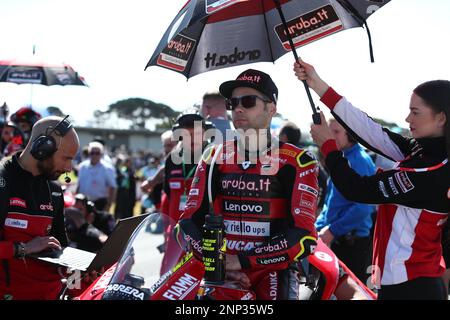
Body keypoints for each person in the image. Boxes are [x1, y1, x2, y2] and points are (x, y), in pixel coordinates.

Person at [294, 59, 449, 300]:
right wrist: (318, 84)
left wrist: (328, 145)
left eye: (415, 112)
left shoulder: (429, 172)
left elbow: (357, 190)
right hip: (407, 282)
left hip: (412, 287)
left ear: (441, 118)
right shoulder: (425, 153)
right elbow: (372, 132)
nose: (407, 119)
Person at [177, 69, 318, 300]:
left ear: (271, 108)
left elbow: (303, 236)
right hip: (220, 272)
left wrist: (243, 261)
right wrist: (219, 262)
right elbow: (188, 223)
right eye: (233, 102)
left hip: (271, 273)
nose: (238, 108)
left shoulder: (297, 161)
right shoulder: (213, 157)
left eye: (249, 101)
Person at [0, 116, 79, 300]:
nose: (69, 168)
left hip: (51, 294)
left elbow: (61, 253)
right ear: (43, 147)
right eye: (66, 158)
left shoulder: (54, 190)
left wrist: (78, 274)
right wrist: (24, 249)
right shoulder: (3, 181)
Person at [315, 118, 376, 282]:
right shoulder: (339, 158)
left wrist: (332, 230)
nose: (332, 137)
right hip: (335, 240)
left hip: (351, 244)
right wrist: (318, 228)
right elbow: (330, 203)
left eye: (337, 132)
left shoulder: (360, 161)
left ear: (351, 135)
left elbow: (363, 208)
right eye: (330, 132)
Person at [159, 109, 212, 274]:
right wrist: (166, 230)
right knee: (166, 281)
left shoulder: (214, 157)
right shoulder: (172, 159)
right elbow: (167, 198)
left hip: (203, 238)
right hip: (176, 235)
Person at [77, 141, 117, 212]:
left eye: (97, 153)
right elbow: (79, 185)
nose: (94, 155)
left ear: (101, 154)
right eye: (92, 153)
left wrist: (109, 205)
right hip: (83, 203)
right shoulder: (82, 166)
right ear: (89, 154)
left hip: (100, 203)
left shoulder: (107, 168)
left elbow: (113, 187)